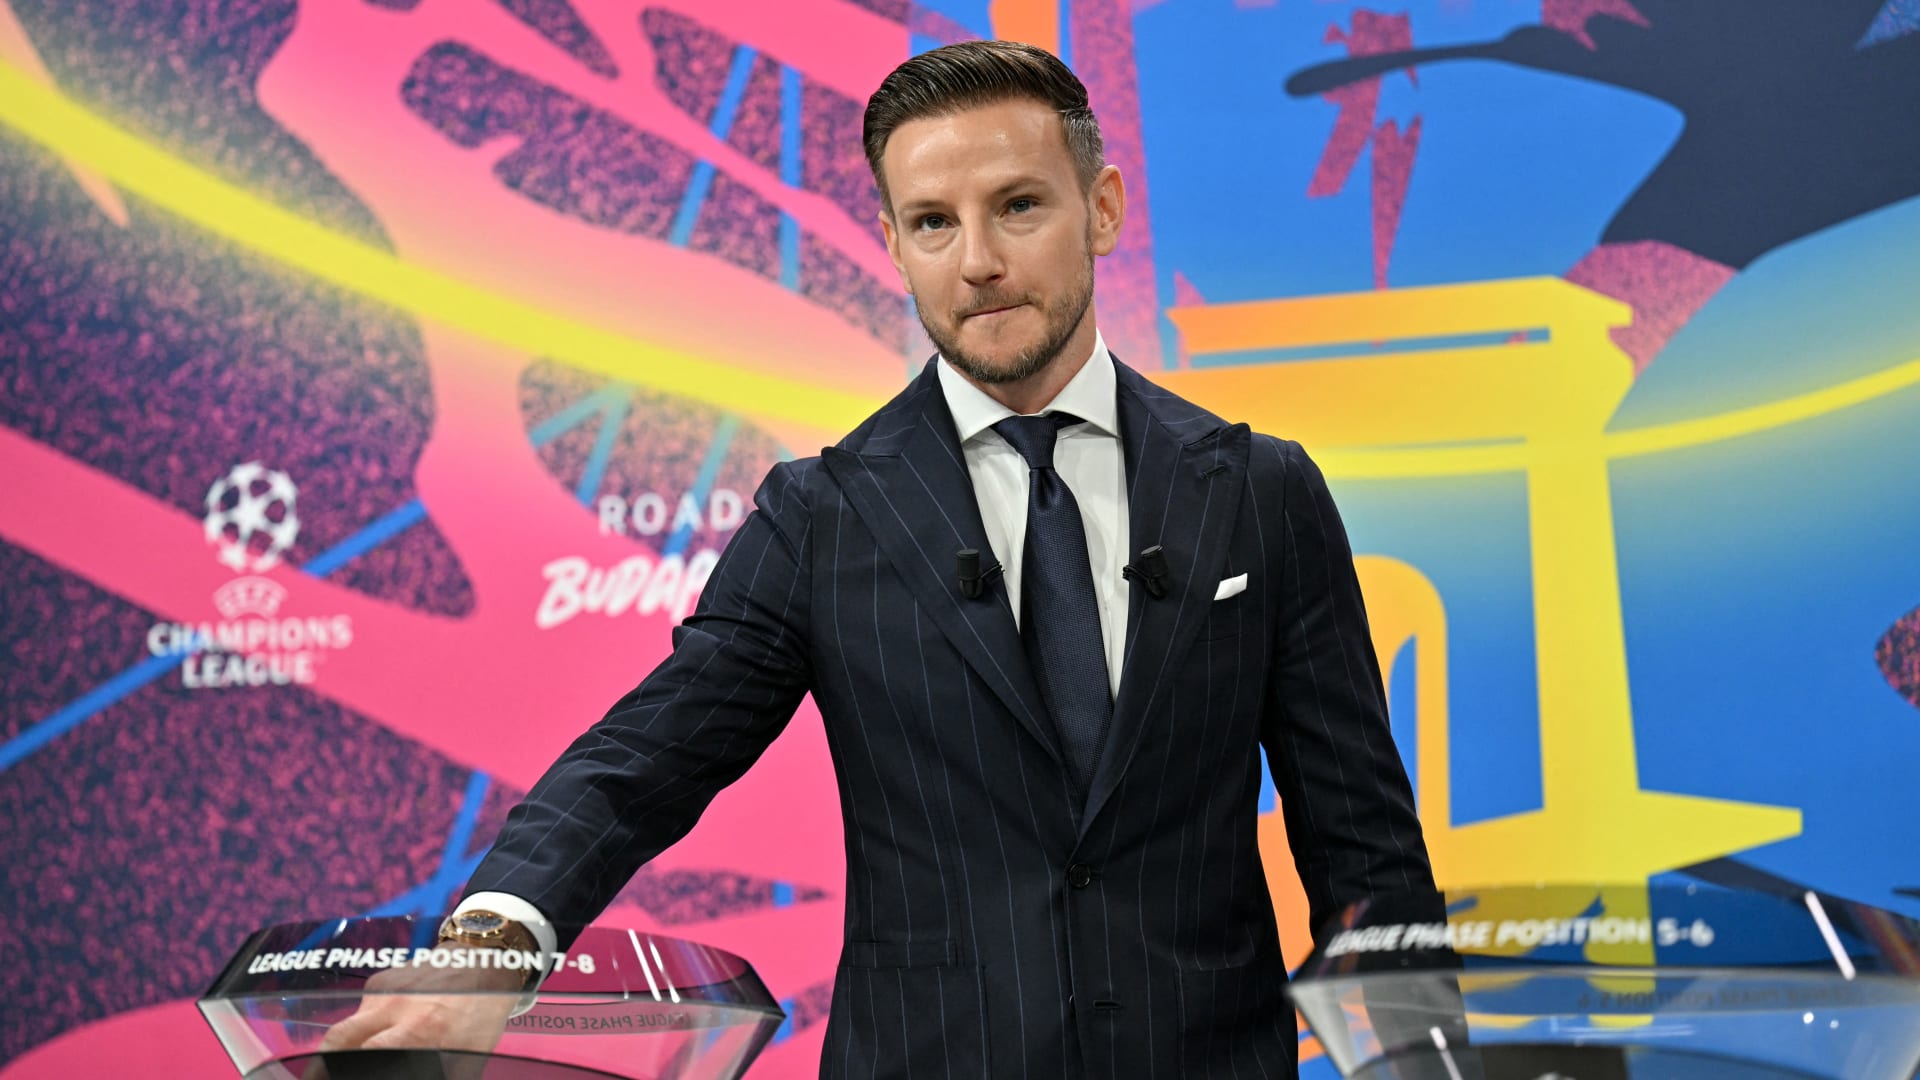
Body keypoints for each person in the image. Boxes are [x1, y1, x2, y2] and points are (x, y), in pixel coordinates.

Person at [323, 39, 1437, 1079]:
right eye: (933, 222)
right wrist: (486, 955)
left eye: (1018, 206)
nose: (980, 261)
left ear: (1100, 209)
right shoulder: (824, 514)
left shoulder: (1258, 492)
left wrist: (1418, 1056)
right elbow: (640, 763)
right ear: (896, 245)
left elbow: (1364, 848)